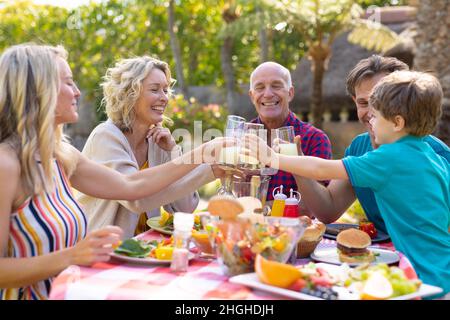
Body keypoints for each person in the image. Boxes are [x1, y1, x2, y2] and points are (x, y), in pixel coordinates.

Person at [0, 44, 226, 300]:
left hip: (77, 290)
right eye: (68, 82)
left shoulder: (62, 155)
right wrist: (72, 256)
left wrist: (201, 157)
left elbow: (130, 186)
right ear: (38, 90)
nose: (77, 92)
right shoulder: (6, 165)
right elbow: (137, 198)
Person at [244, 70, 450, 296]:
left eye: (376, 116)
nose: (370, 120)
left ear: (397, 123)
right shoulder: (435, 159)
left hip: (422, 275)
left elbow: (322, 168)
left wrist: (272, 158)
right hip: (443, 268)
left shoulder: (387, 158)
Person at [293, 55, 450, 233]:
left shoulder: (439, 156)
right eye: (363, 103)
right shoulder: (359, 148)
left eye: (380, 102)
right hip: (381, 255)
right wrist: (296, 163)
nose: (371, 112)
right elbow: (328, 210)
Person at [76, 56, 221, 238]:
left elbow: (185, 207)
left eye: (166, 90)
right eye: (155, 90)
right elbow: (136, 199)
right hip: (105, 252)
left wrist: (173, 152)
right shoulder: (106, 137)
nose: (164, 98)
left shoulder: (158, 140)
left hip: (145, 249)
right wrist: (206, 166)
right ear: (130, 94)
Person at [248, 61, 332, 208]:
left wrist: (260, 209)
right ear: (252, 95)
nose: (267, 94)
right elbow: (232, 196)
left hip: (295, 230)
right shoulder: (242, 136)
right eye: (260, 87)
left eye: (276, 86)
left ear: (290, 93)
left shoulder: (315, 139)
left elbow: (314, 207)